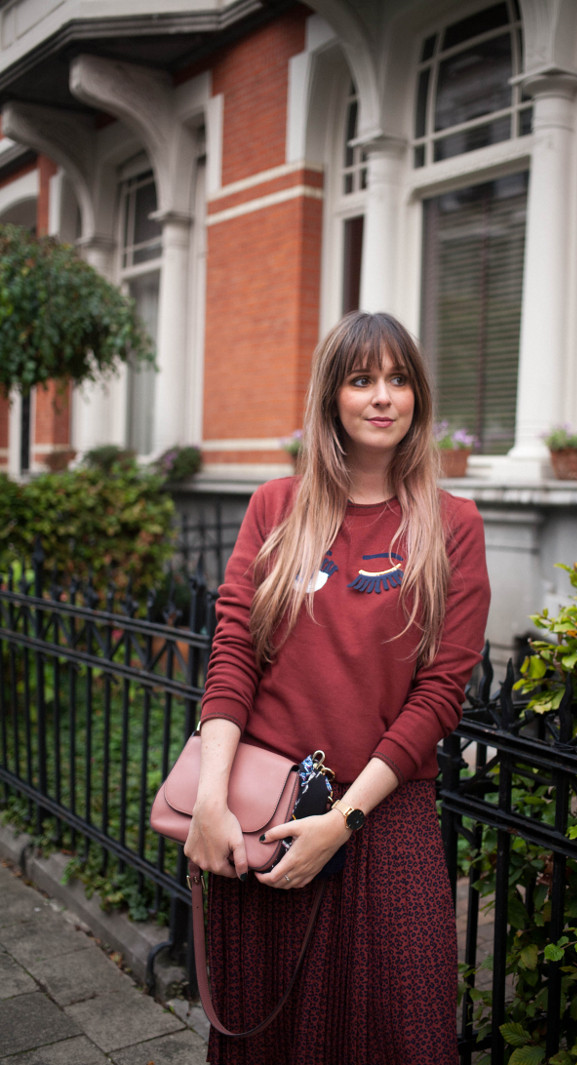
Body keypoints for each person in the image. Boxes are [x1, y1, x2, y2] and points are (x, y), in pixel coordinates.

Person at [184, 310, 491, 1065]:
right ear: (333, 398)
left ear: (417, 395)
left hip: (385, 825)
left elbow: (440, 694)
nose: (382, 396)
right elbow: (234, 655)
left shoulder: (452, 525)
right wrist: (210, 798)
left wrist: (344, 822)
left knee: (402, 1038)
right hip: (268, 818)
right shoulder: (276, 508)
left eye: (398, 379)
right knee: (275, 1042)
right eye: (361, 380)